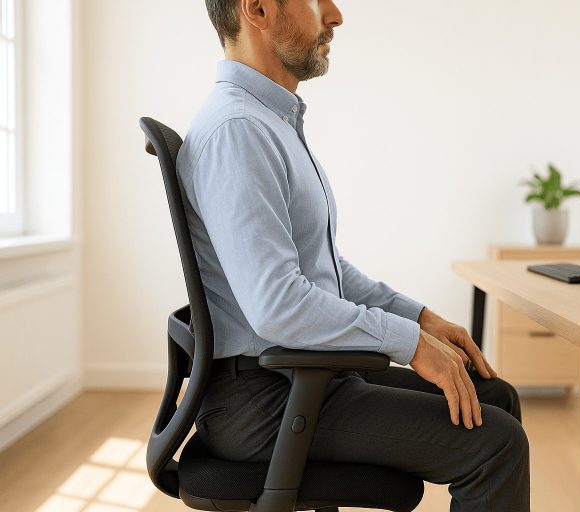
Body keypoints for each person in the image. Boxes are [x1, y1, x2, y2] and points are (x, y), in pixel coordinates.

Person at [177, 1, 530, 510]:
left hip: (296, 376)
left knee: (494, 397)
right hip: (264, 401)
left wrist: (421, 321)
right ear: (257, 9)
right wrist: (409, 344)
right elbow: (278, 305)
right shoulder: (238, 131)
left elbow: (325, 270)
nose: (335, 15)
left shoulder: (268, 121)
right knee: (496, 445)